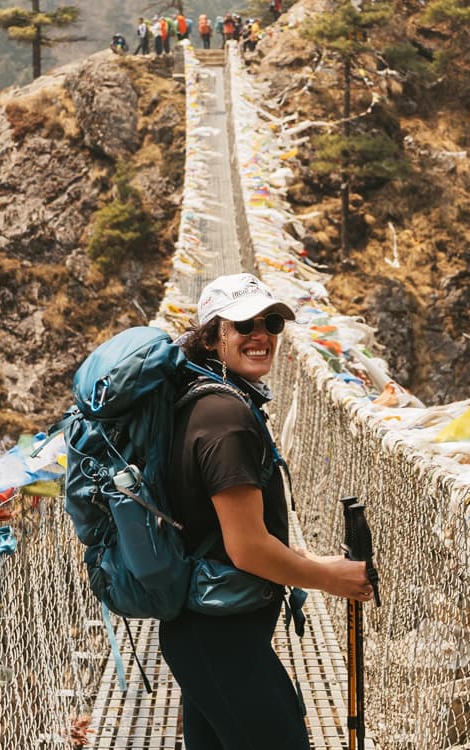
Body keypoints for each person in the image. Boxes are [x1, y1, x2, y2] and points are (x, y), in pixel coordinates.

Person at [161, 273, 374, 750]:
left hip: (206, 632)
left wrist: (308, 561)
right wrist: (329, 579)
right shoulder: (226, 418)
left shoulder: (205, 401)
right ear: (213, 335)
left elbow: (223, 529)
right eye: (244, 324)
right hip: (221, 640)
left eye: (271, 322)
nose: (261, 335)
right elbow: (247, 549)